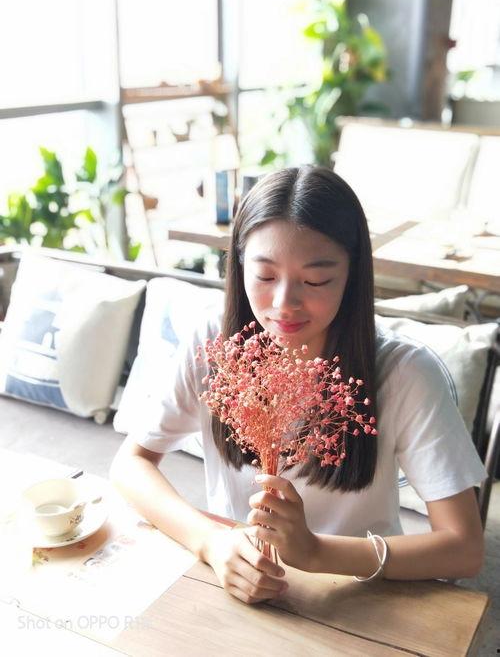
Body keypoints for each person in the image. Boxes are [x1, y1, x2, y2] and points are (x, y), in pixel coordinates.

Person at [110, 166, 486, 605]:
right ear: (239, 265)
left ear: (352, 274)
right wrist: (210, 541)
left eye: (315, 280)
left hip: (360, 597)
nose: (284, 303)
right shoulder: (217, 343)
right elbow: (130, 464)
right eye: (265, 276)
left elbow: (464, 548)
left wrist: (316, 551)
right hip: (236, 582)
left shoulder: (405, 373)